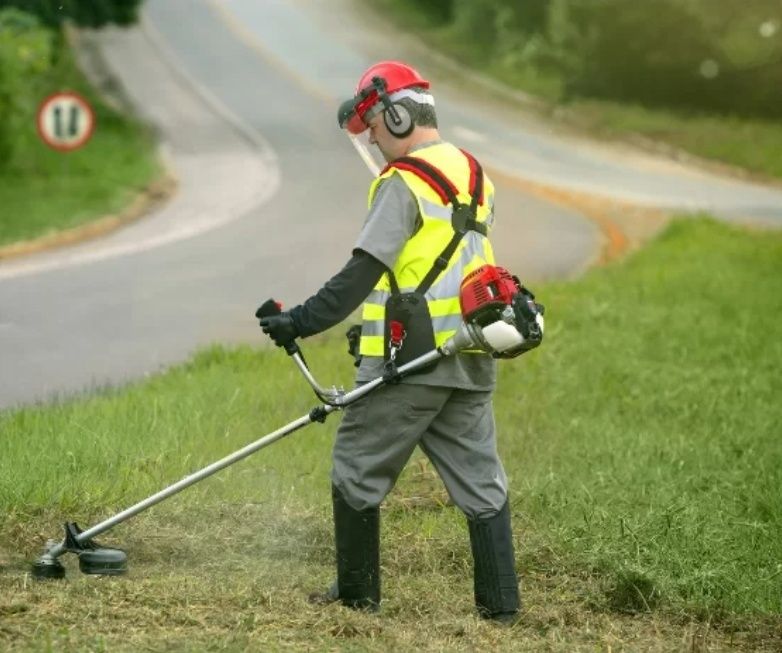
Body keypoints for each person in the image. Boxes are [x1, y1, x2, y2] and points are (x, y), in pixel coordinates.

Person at [258, 61, 520, 623]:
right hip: (470, 352)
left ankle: (357, 599)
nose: (372, 141)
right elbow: (436, 269)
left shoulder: (404, 183)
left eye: (373, 127)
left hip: (411, 364)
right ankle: (500, 607)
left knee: (356, 467)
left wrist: (300, 321)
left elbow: (362, 271)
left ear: (396, 115)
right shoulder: (473, 173)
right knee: (481, 483)